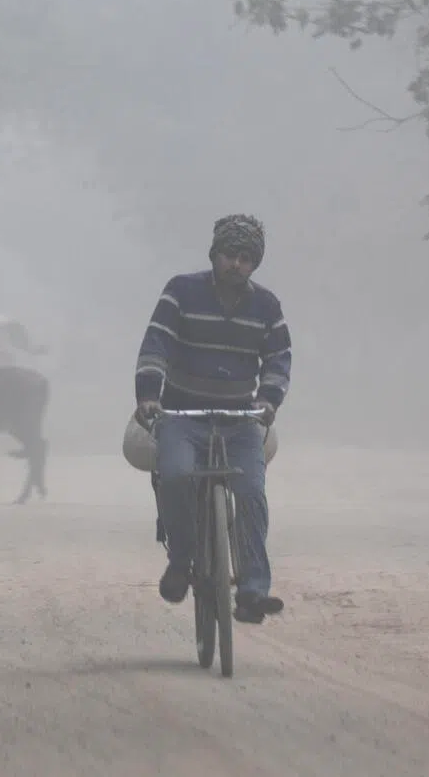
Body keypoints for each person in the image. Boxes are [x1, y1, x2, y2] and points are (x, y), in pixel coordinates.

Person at [134, 213, 292, 623]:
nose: (235, 264)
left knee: (252, 491)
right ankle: (181, 559)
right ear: (214, 254)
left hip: (241, 421)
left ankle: (254, 591)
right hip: (183, 416)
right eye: (228, 255)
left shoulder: (267, 306)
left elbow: (278, 359)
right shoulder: (181, 292)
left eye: (245, 257)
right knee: (174, 476)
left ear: (254, 262)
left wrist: (269, 399)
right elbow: (156, 345)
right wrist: (149, 396)